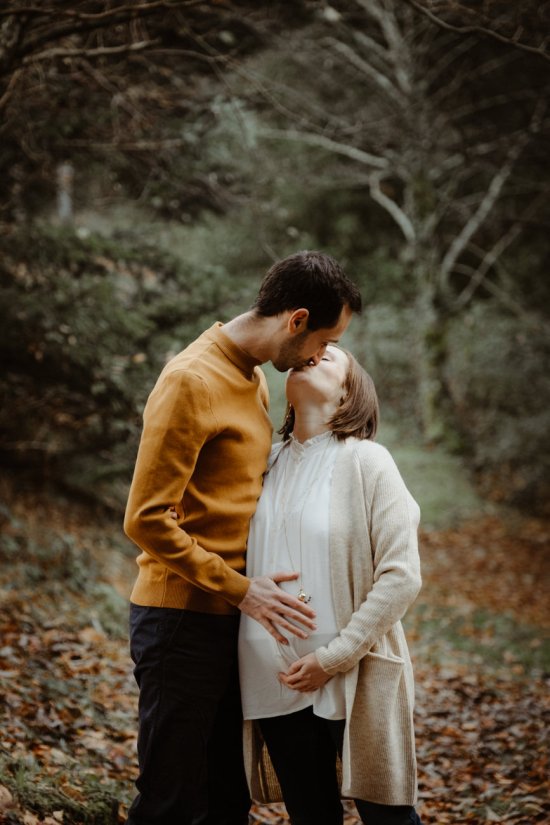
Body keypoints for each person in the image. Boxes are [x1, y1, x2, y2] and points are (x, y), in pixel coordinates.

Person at [123, 251, 362, 825]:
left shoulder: (252, 378)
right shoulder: (191, 378)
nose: (320, 356)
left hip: (229, 616)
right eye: (322, 341)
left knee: (227, 798)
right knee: (173, 799)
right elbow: (146, 519)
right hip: (181, 619)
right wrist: (242, 590)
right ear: (296, 319)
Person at [238, 345, 423, 825]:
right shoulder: (263, 464)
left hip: (352, 670)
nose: (313, 355)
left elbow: (401, 575)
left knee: (388, 817)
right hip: (270, 673)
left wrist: (333, 657)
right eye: (307, 354)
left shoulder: (368, 463)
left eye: (331, 356)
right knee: (311, 816)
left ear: (349, 393)